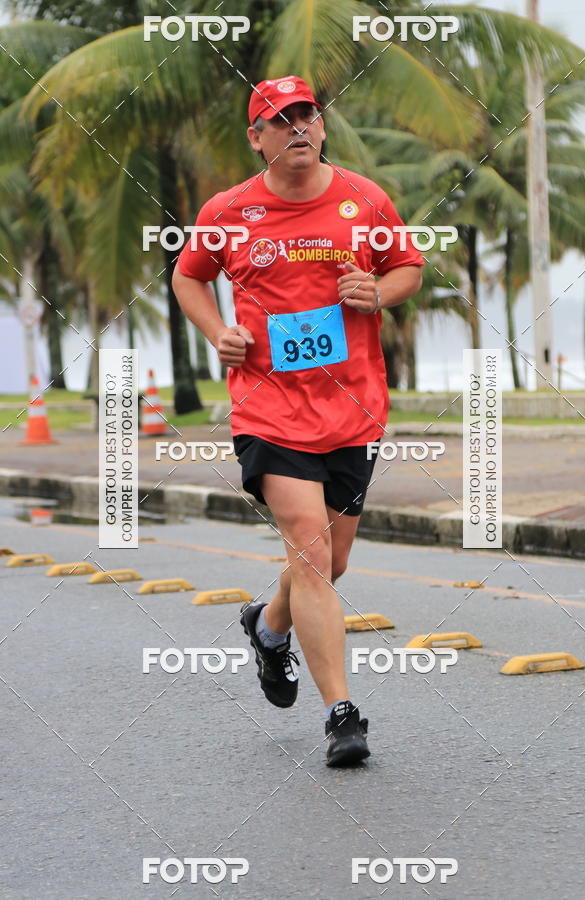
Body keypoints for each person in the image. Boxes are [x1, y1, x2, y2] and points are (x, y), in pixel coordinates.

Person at [173, 75, 424, 766]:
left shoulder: (364, 199)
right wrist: (216, 328)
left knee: (331, 562)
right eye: (279, 121)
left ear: (321, 125)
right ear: (257, 138)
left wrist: (378, 291)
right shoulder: (228, 211)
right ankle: (342, 714)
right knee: (309, 550)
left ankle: (268, 625)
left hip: (353, 406)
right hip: (268, 407)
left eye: (306, 117)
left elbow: (408, 266)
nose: (297, 130)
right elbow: (188, 275)